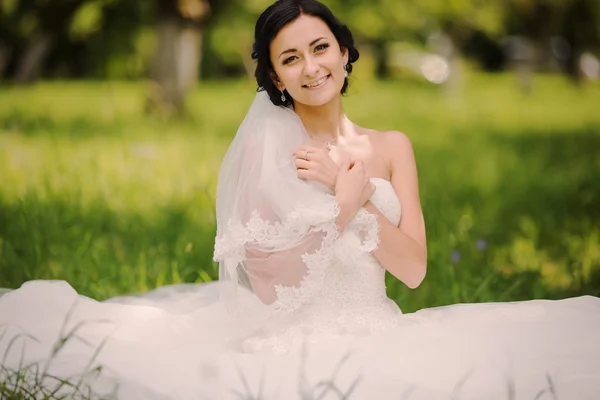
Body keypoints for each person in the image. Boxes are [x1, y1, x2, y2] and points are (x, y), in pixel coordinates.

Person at [0, 1, 599, 399]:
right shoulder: (273, 149)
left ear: (344, 51)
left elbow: (413, 270)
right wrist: (342, 205)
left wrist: (361, 198)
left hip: (379, 327)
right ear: (276, 79)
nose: (311, 67)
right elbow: (269, 282)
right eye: (290, 59)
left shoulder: (392, 146)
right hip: (295, 339)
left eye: (320, 48)